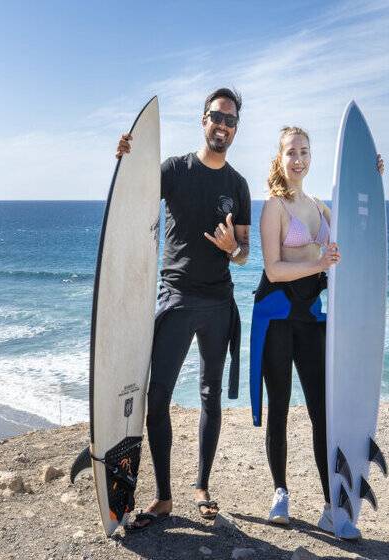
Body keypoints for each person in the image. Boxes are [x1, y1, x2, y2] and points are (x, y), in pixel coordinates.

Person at [116, 88, 251, 531]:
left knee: (211, 395)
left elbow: (245, 253)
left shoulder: (238, 185)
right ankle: (163, 497)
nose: (222, 126)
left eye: (230, 120)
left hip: (218, 304)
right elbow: (134, 195)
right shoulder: (175, 170)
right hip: (175, 298)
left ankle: (202, 487)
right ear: (203, 119)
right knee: (157, 399)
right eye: (216, 117)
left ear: (235, 128)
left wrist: (232, 249)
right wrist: (125, 158)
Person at [249, 126, 383, 539]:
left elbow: (355, 232)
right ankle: (280, 493)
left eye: (304, 152)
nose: (298, 159)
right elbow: (274, 269)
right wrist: (320, 265)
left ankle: (332, 506)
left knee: (322, 412)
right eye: (291, 152)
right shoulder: (274, 207)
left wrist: (372, 179)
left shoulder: (321, 208)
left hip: (309, 318)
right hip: (277, 316)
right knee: (280, 406)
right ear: (279, 158)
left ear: (311, 157)